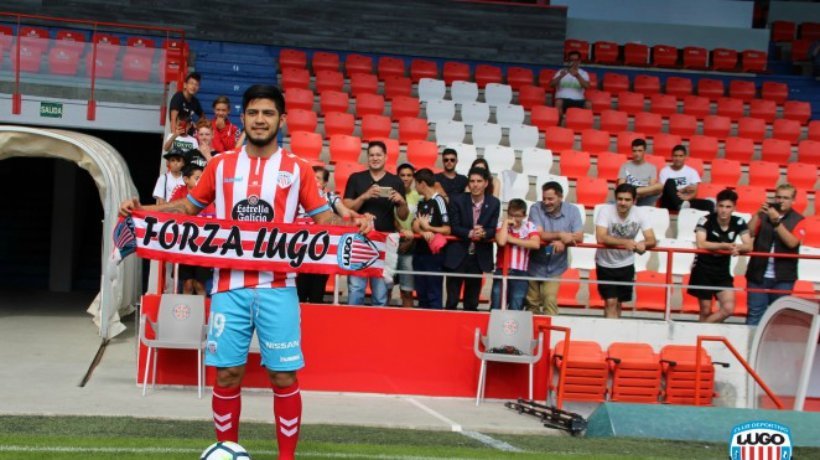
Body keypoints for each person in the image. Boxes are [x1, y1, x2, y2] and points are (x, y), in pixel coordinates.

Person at [119, 85, 374, 460]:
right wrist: (141, 209)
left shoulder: (297, 170)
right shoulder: (221, 165)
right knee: (226, 375)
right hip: (228, 288)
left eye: (268, 113)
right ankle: (227, 452)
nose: (260, 120)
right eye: (253, 112)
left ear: (281, 120)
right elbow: (186, 209)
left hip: (279, 288)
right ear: (243, 118)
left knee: (284, 377)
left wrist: (357, 225)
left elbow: (326, 220)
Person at [343, 141, 409, 306]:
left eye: (378, 154)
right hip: (359, 239)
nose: (375, 158)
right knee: (356, 289)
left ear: (386, 157)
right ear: (367, 157)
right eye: (371, 155)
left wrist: (401, 202)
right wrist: (364, 196)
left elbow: (403, 215)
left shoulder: (396, 181)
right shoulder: (356, 178)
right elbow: (346, 207)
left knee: (380, 293)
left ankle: (377, 330)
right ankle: (351, 327)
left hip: (384, 241)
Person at [745, 183, 806, 326]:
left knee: (779, 317)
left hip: (783, 277)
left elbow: (792, 243)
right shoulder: (764, 214)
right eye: (778, 197)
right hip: (758, 273)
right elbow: (750, 232)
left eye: (785, 198)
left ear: (793, 201)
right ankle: (748, 348)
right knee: (755, 313)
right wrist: (757, 214)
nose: (781, 201)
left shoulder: (800, 219)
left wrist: (777, 222)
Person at [688, 189, 752, 323]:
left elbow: (749, 246)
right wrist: (724, 246)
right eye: (721, 206)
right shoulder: (705, 219)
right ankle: (700, 339)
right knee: (705, 310)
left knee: (728, 309)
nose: (724, 210)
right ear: (716, 206)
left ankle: (696, 332)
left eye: (728, 207)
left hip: (722, 272)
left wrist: (737, 247)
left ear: (734, 208)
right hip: (703, 269)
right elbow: (701, 244)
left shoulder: (739, 222)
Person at [296, 165, 356, 304]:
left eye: (317, 179)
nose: (313, 181)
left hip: (321, 250)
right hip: (299, 249)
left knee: (317, 292)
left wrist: (358, 218)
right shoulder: (298, 194)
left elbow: (345, 213)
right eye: (311, 178)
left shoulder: (330, 197)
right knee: (299, 291)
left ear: (324, 183)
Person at [595, 183, 656, 318]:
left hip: (627, 263)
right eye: (620, 199)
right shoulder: (605, 211)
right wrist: (625, 242)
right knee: (610, 302)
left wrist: (643, 244)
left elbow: (652, 239)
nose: (623, 203)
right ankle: (609, 335)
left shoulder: (640, 213)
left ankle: (615, 334)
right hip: (605, 263)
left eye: (627, 200)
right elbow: (600, 237)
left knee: (618, 303)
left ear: (634, 201)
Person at [443, 167, 500, 311]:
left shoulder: (494, 203)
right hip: (457, 255)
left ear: (486, 183)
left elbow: (493, 229)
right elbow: (454, 226)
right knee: (452, 300)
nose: (475, 184)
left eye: (479, 181)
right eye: (472, 181)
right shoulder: (457, 200)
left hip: (478, 257)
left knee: (472, 302)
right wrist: (470, 233)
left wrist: (484, 233)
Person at [525, 181, 583, 315]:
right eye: (544, 198)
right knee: (531, 303)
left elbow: (579, 237)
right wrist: (560, 235)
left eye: (550, 199)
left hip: (556, 266)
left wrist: (564, 242)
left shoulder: (573, 211)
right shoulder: (536, 208)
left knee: (550, 300)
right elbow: (538, 234)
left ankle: (549, 334)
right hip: (534, 264)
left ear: (560, 197)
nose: (546, 202)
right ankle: (531, 334)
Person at [169, 164, 214, 295]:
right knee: (187, 284)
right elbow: (172, 213)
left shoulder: (207, 194)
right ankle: (184, 315)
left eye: (202, 178)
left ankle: (204, 315)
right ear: (186, 179)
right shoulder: (179, 193)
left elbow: (211, 218)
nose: (200, 181)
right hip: (183, 247)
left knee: (199, 285)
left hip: (201, 247)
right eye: (197, 178)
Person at [491, 199, 540, 310]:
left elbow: (536, 244)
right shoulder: (502, 224)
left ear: (524, 216)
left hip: (521, 272)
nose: (514, 219)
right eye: (511, 215)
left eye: (517, 216)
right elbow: (502, 241)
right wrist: (506, 224)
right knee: (497, 305)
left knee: (516, 306)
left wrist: (512, 239)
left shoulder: (529, 226)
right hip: (501, 269)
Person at [412, 168, 450, 309]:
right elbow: (414, 224)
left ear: (422, 183)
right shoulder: (421, 202)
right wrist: (422, 232)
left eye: (416, 183)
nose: (415, 187)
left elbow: (447, 229)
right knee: (421, 294)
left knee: (433, 294)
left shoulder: (439, 201)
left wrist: (429, 228)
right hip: (420, 252)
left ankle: (436, 327)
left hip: (434, 255)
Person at [656, 145, 713, 212]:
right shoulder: (664, 171)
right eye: (675, 156)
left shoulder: (692, 172)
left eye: (680, 156)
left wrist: (688, 198)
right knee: (670, 182)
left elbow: (694, 192)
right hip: (669, 202)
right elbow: (663, 190)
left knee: (709, 204)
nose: (678, 158)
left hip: (686, 201)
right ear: (672, 157)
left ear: (685, 157)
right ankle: (681, 205)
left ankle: (683, 205)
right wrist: (683, 190)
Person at [394, 163, 420, 308]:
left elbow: (419, 220)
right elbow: (388, 218)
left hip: (410, 247)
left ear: (413, 178)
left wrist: (410, 241)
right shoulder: (391, 194)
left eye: (409, 175)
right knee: (386, 289)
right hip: (391, 245)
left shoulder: (418, 197)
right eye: (402, 175)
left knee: (407, 291)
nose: (405, 178)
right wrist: (400, 232)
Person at [550, 50, 591, 123]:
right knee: (558, 102)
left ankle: (586, 126)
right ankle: (559, 124)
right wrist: (560, 76)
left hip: (578, 101)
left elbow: (587, 87)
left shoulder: (584, 73)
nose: (573, 62)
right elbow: (551, 85)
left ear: (579, 61)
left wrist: (577, 75)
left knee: (588, 104)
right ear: (568, 61)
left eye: (576, 60)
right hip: (563, 100)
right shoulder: (561, 71)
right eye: (571, 60)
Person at [617, 138, 659, 207]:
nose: (637, 154)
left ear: (644, 151)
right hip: (629, 194)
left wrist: (638, 192)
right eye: (634, 151)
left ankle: (635, 193)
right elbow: (621, 185)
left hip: (644, 195)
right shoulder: (625, 166)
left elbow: (652, 188)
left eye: (640, 151)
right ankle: (633, 195)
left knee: (659, 186)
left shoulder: (652, 167)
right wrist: (631, 193)